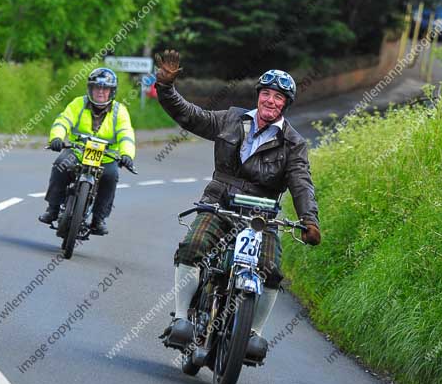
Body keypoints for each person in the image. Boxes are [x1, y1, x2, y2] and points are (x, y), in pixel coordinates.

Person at [154, 49, 320, 362]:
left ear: (286, 104)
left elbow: (301, 183)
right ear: (259, 96)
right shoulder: (231, 118)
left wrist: (310, 220)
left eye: (279, 97)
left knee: (271, 271)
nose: (271, 101)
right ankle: (181, 318)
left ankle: (253, 333)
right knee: (193, 246)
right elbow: (191, 116)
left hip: (262, 216)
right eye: (267, 94)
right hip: (220, 201)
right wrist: (165, 88)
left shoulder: (294, 143)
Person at [38, 67, 136, 235]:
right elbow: (63, 120)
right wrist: (56, 138)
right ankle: (52, 208)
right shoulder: (78, 103)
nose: (100, 92)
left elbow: (126, 134)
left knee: (111, 176)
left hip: (106, 158)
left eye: (105, 88)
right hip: (77, 152)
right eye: (97, 87)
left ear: (112, 92)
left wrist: (127, 155)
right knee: (61, 164)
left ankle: (99, 219)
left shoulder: (120, 111)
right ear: (90, 88)